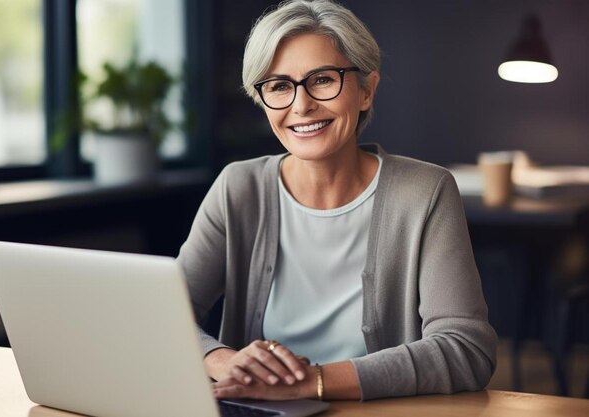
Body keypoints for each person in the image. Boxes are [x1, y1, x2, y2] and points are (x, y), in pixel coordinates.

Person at [177, 0, 497, 402]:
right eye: (278, 86)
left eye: (323, 79)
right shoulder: (238, 188)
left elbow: (466, 349)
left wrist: (312, 382)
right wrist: (225, 361)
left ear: (366, 90)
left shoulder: (425, 192)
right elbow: (165, 314)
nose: (301, 104)